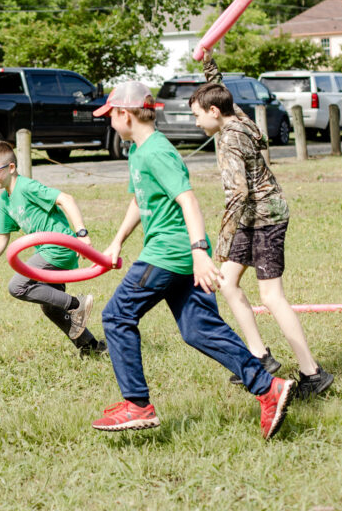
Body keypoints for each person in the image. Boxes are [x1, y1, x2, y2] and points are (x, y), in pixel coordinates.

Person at [90, 80, 295, 439]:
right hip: (173, 253)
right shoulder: (139, 152)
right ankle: (268, 387)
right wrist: (117, 241)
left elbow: (189, 200)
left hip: (170, 253)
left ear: (124, 114)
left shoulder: (158, 152)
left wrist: (200, 252)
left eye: (111, 115)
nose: (109, 122)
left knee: (116, 315)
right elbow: (141, 200)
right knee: (198, 329)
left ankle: (137, 404)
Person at [189, 49, 334, 399]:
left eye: (196, 116)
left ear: (212, 114)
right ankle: (259, 356)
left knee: (271, 296)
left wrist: (217, 246)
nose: (195, 123)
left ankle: (312, 373)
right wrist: (208, 64)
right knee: (227, 282)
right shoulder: (235, 116)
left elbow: (238, 194)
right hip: (252, 218)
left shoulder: (231, 139)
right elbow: (220, 90)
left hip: (266, 218)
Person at [0, 141, 105, 357]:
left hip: (58, 247)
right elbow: (2, 236)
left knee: (17, 286)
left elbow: (66, 199)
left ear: (10, 168)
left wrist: (82, 235)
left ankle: (77, 304)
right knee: (49, 305)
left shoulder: (26, 187)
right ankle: (90, 346)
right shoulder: (5, 200)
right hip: (47, 250)